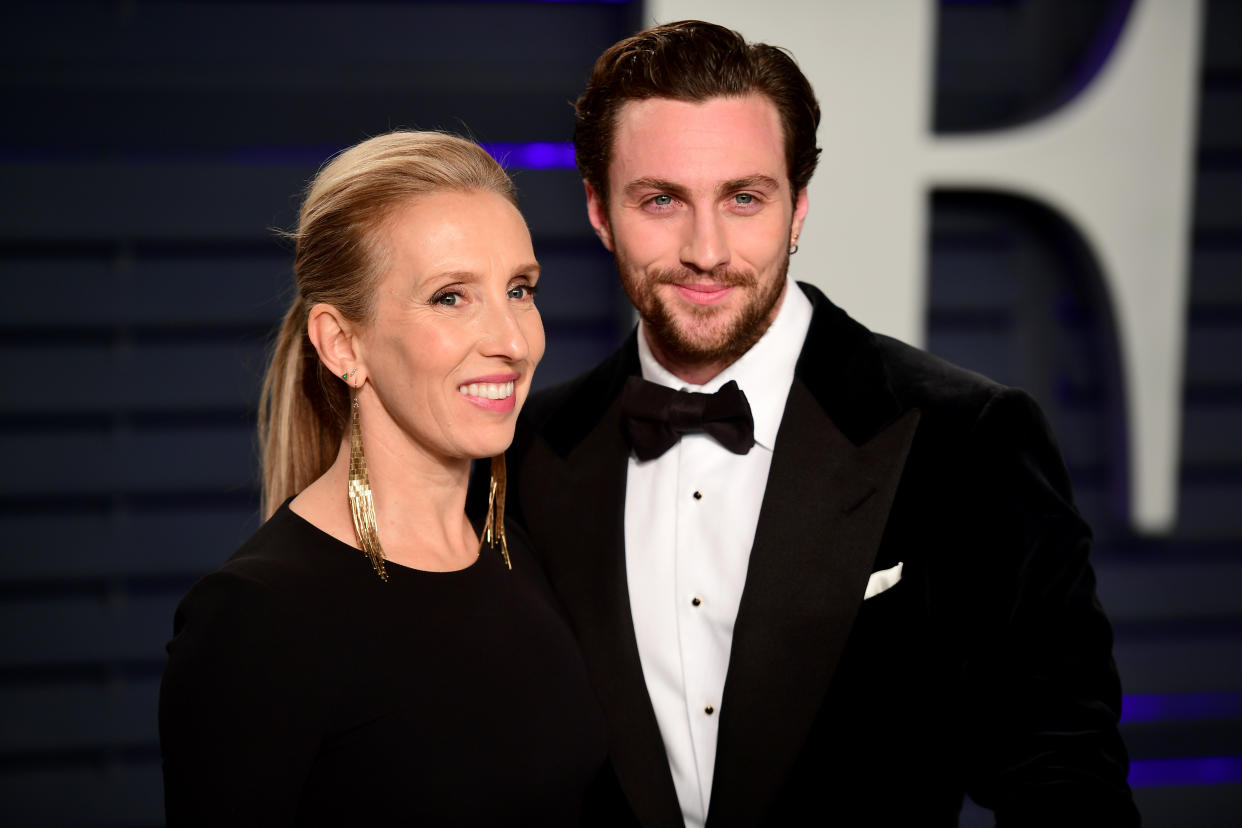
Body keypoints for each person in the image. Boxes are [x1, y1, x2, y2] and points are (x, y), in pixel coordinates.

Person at [503, 21, 1139, 827]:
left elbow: (1065, 781)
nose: (707, 249)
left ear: (798, 207)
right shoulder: (530, 452)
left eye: (744, 198)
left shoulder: (969, 438)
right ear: (598, 211)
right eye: (661, 200)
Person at [159, 131, 607, 826]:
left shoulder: (524, 555)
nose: (515, 342)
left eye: (520, 289)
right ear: (342, 344)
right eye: (451, 297)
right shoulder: (257, 620)